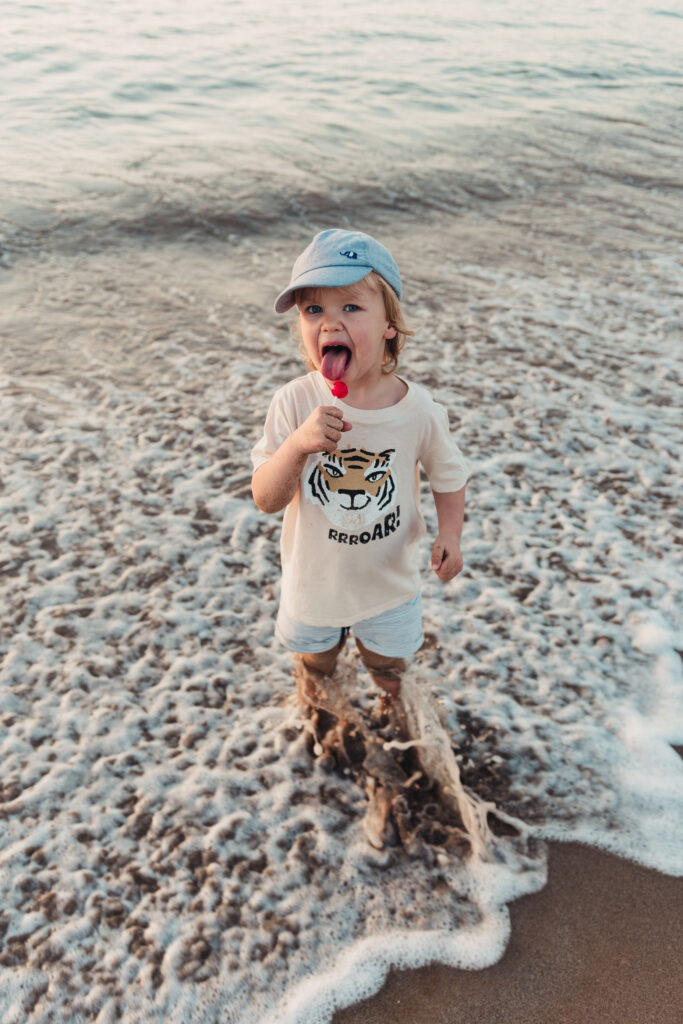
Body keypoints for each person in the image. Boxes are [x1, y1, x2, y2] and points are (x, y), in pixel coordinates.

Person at [251, 228, 468, 701]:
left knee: (390, 674)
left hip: (388, 587)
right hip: (313, 588)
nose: (330, 324)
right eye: (314, 310)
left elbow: (449, 476)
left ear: (390, 323)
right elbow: (266, 498)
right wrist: (298, 445)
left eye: (351, 307)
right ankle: (323, 728)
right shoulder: (294, 401)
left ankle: (398, 724)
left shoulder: (418, 411)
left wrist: (450, 535)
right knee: (316, 674)